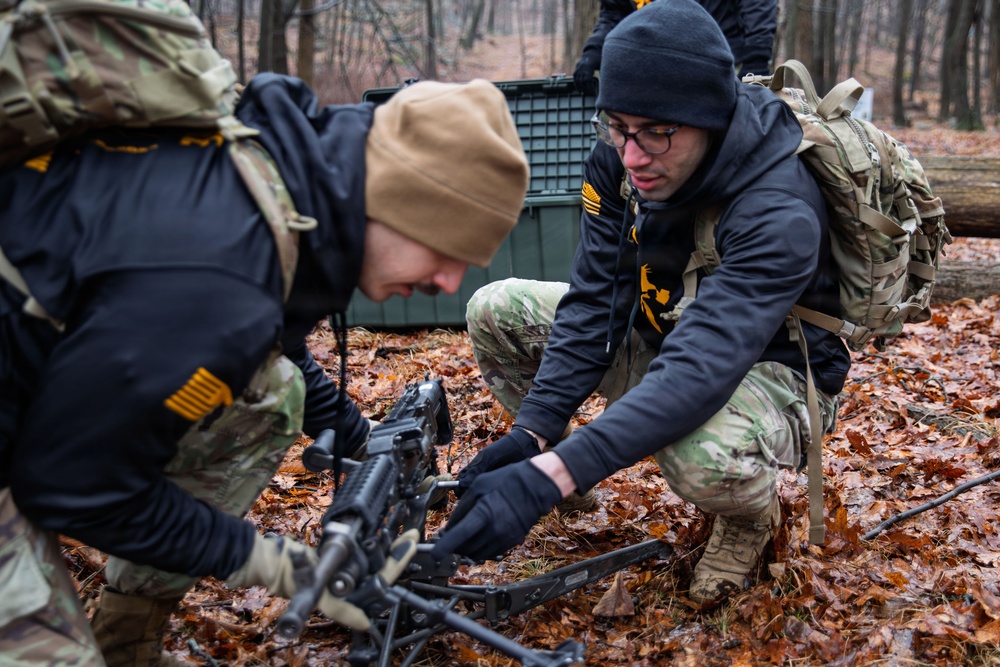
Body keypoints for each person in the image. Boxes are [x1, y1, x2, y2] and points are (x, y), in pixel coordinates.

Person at [0, 75, 529, 666]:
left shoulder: (272, 195)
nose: (449, 283)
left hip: (38, 408)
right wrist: (267, 560)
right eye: (450, 248)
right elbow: (71, 485)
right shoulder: (219, 277)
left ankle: (128, 642)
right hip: (44, 457)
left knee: (271, 394)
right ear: (402, 198)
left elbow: (272, 354)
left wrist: (362, 445)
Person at [432, 0, 849, 611]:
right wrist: (532, 435)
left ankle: (745, 516)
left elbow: (700, 368)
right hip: (663, 336)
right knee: (498, 308)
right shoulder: (620, 162)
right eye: (619, 127)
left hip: (773, 372)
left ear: (710, 118)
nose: (632, 154)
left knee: (697, 451)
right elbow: (595, 299)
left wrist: (554, 477)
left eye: (657, 131)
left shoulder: (776, 209)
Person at [572, 0, 778, 96]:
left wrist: (756, 58)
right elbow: (614, 13)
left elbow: (757, 3)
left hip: (717, 64)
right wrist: (594, 51)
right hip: (653, 70)